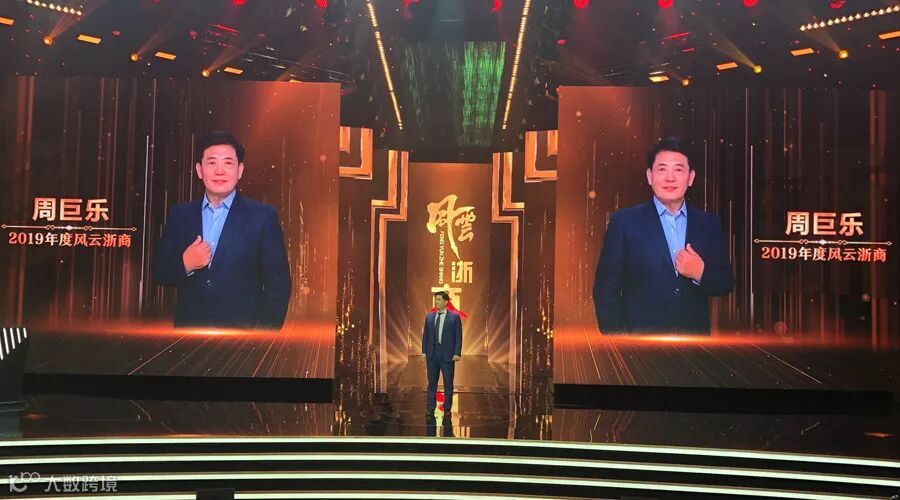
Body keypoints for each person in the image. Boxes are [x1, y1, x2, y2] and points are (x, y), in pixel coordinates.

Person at [593, 137, 734, 335]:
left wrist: (700, 272)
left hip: (695, 347)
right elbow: (605, 290)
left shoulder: (708, 224)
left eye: (678, 169)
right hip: (640, 347)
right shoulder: (624, 223)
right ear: (650, 176)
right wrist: (619, 342)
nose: (670, 178)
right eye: (662, 169)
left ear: (691, 177)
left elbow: (725, 283)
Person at [153, 131, 291, 329]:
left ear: (240, 170)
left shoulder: (263, 217)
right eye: (212, 163)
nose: (220, 171)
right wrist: (186, 264)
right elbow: (160, 273)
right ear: (199, 170)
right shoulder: (180, 215)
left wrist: (262, 338)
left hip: (242, 339)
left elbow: (278, 286)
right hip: (188, 337)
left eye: (228, 163)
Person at [422, 291, 462, 415]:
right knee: (431, 383)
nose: (436, 302)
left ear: (446, 302)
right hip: (432, 355)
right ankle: (430, 408)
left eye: (439, 299)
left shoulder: (454, 317)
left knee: (448, 384)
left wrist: (457, 353)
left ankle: (447, 409)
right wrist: (424, 352)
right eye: (435, 299)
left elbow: (458, 337)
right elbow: (425, 336)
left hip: (447, 355)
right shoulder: (429, 317)